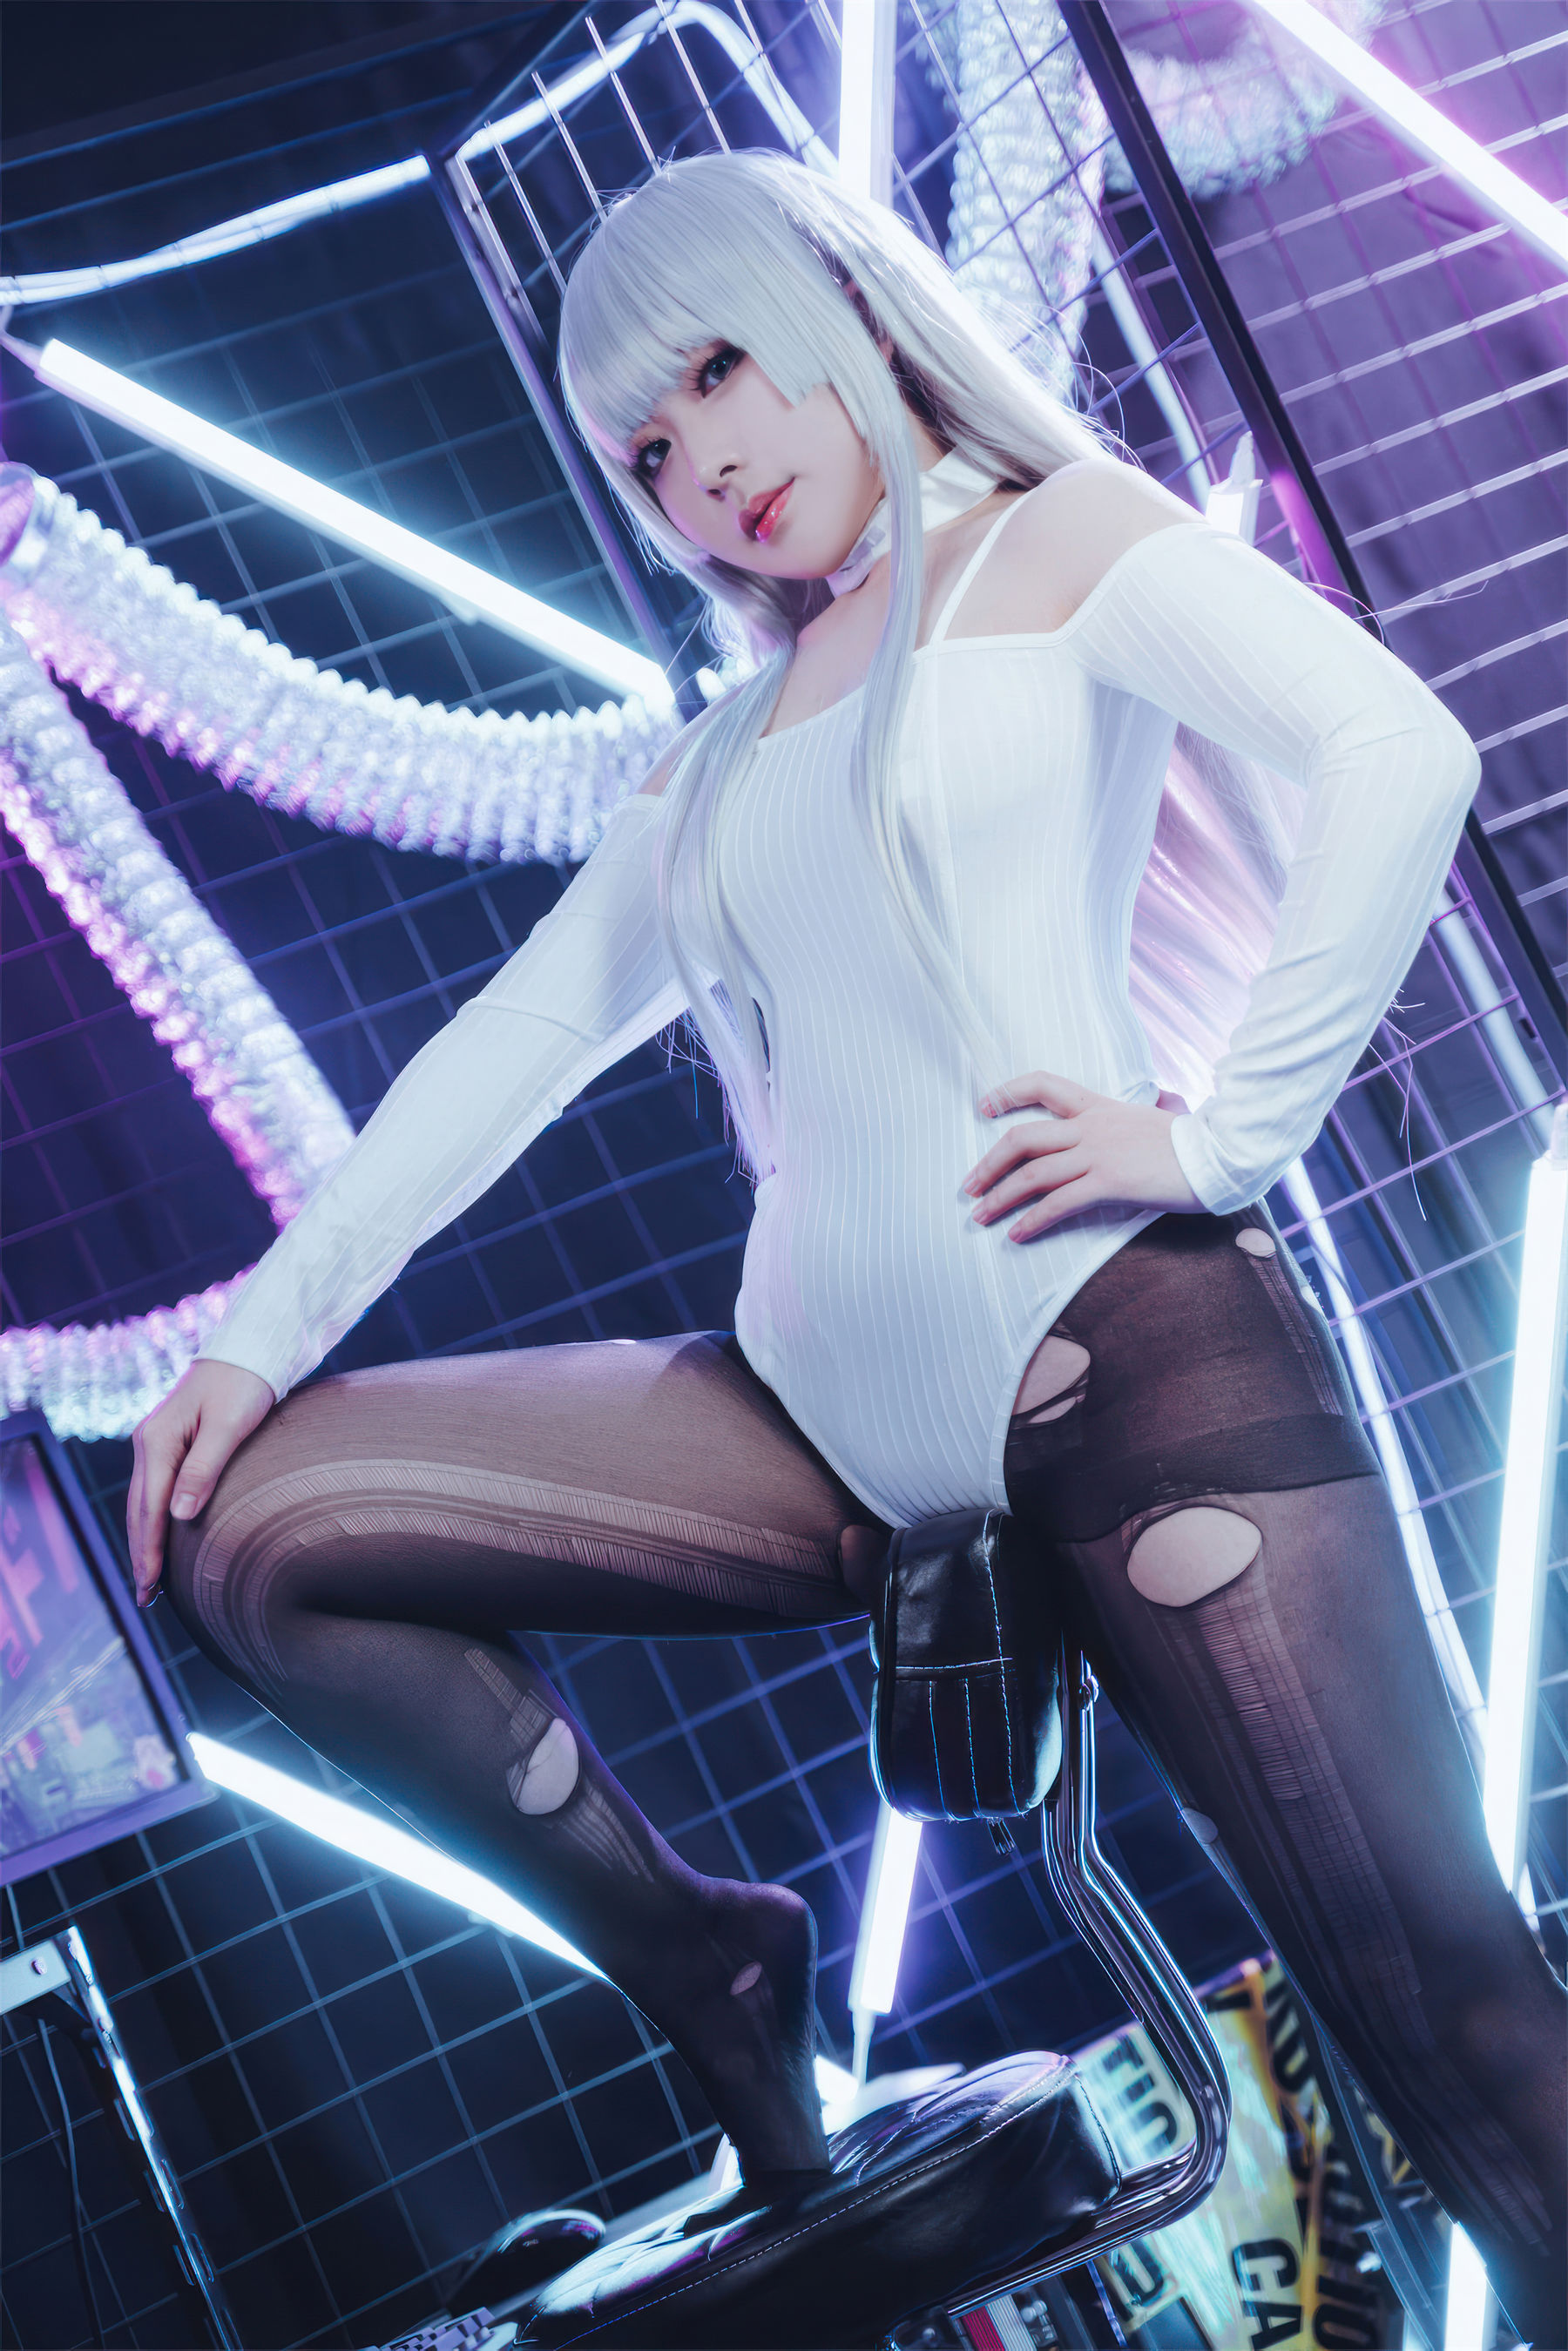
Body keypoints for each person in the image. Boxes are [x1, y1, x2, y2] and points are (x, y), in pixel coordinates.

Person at [130, 151, 1563, 2339]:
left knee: (1446, 2022)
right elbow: (513, 1044)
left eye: (719, 371)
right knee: (258, 1543)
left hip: (1112, 1361)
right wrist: (252, 1343)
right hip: (817, 1430)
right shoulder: (721, 755)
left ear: (837, 312)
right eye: (647, 448)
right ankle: (711, 1962)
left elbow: (1399, 747)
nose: (703, 463)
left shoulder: (1053, 545)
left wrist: (1223, 1133)